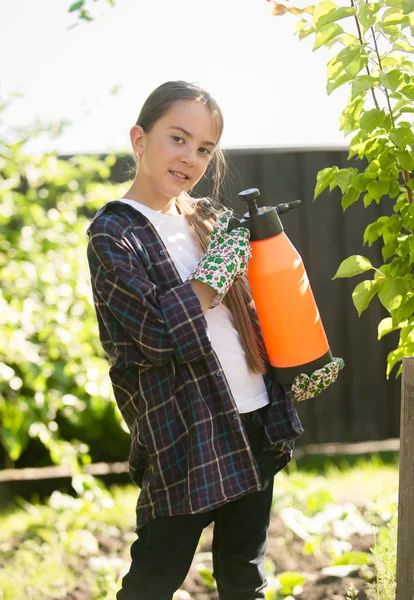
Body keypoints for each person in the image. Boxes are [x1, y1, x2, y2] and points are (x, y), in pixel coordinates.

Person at [86, 80, 338, 600]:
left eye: (204, 149)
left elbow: (254, 312)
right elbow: (155, 333)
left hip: (253, 413)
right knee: (157, 573)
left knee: (245, 573)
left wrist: (296, 361)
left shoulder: (209, 219)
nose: (190, 158)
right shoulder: (114, 234)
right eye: (177, 139)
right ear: (139, 138)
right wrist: (210, 277)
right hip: (186, 431)